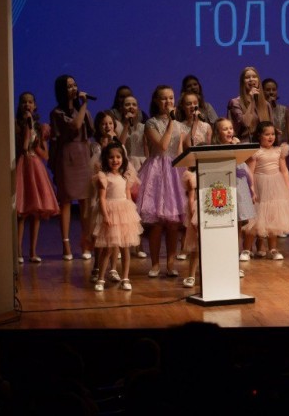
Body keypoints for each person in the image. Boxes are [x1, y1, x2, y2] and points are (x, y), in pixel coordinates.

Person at [137, 85, 189, 277]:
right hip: (157, 172)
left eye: (171, 97)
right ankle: (155, 264)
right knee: (157, 223)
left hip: (175, 171)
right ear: (156, 101)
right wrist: (171, 122)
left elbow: (180, 149)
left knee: (173, 224)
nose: (168, 102)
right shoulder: (150, 123)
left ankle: (171, 264)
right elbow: (163, 145)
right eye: (164, 98)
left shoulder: (181, 125)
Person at [244, 122, 289, 260]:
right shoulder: (256, 152)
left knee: (273, 218)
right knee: (254, 219)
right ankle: (247, 249)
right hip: (260, 186)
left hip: (275, 186)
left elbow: (284, 171)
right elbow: (250, 172)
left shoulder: (279, 151)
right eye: (267, 134)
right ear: (259, 136)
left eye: (272, 134)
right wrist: (251, 189)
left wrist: (287, 189)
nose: (270, 137)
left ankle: (272, 249)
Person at [49, 74, 94, 261]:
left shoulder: (81, 110)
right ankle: (65, 244)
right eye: (69, 86)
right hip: (67, 156)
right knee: (66, 201)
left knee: (85, 201)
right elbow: (75, 126)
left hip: (83, 155)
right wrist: (84, 105)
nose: (73, 89)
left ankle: (85, 242)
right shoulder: (57, 113)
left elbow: (90, 130)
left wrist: (83, 108)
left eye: (74, 85)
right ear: (62, 90)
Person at [14, 92, 60, 264]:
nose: (27, 105)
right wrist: (27, 129)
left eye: (30, 102)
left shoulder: (41, 128)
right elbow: (24, 147)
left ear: (34, 105)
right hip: (22, 165)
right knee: (22, 213)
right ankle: (18, 251)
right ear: (20, 105)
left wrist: (37, 140)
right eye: (24, 102)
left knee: (36, 213)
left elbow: (45, 155)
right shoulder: (16, 125)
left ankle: (33, 252)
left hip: (35, 167)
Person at [92, 142, 142, 292]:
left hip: (124, 214)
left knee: (125, 248)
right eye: (111, 157)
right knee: (108, 249)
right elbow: (102, 198)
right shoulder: (104, 177)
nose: (115, 160)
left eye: (118, 157)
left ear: (123, 158)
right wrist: (105, 215)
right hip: (111, 213)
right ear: (106, 159)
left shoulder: (125, 177)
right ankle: (101, 278)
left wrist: (132, 214)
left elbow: (128, 197)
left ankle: (125, 278)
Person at [213, 118, 258, 262]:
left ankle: (237, 250)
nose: (229, 131)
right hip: (225, 186)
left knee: (239, 221)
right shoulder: (215, 149)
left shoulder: (237, 146)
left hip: (240, 184)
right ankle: (225, 251)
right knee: (227, 220)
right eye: (225, 129)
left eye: (230, 128)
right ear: (217, 132)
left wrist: (252, 188)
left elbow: (245, 169)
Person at [227, 66, 273, 141]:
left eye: (254, 77)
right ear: (242, 82)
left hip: (263, 145)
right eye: (247, 77)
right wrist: (252, 101)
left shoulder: (266, 105)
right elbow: (246, 123)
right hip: (244, 144)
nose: (251, 79)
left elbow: (271, 128)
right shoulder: (235, 103)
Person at [116, 94, 147, 174]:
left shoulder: (143, 127)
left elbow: (146, 148)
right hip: (124, 164)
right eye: (127, 104)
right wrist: (126, 124)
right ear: (122, 108)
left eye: (134, 105)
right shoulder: (117, 125)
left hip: (141, 164)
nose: (131, 107)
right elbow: (119, 146)